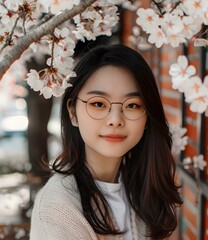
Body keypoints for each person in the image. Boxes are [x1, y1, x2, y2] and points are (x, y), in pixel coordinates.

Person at [30, 44, 182, 240]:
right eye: (99, 104)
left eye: (133, 105)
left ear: (147, 118)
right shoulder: (57, 208)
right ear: (73, 112)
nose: (115, 119)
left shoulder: (143, 191)